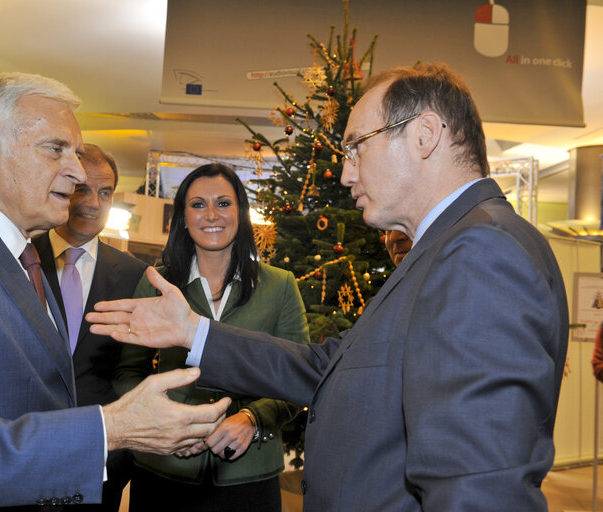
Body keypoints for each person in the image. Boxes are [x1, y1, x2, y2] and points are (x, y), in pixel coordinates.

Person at [88, 63, 569, 511]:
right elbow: (328, 367)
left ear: (425, 135)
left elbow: (479, 487)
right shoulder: (449, 247)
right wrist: (195, 332)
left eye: (358, 145)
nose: (346, 173)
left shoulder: (481, 252)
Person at [0, 72, 230, 512]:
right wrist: (111, 427)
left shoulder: (22, 254)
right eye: (56, 149)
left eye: (74, 151)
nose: (75, 171)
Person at [114, 163, 309, 512]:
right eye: (198, 204)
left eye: (223, 203)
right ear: (183, 217)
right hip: (165, 468)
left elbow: (297, 379)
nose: (211, 215)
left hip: (249, 474)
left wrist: (253, 419)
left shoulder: (280, 286)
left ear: (240, 212)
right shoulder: (157, 284)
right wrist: (161, 418)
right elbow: (127, 373)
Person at [33, 143, 147, 511]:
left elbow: (135, 368)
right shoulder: (19, 257)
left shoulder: (134, 276)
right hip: (22, 447)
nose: (93, 203)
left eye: (105, 192)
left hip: (100, 457)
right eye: (82, 188)